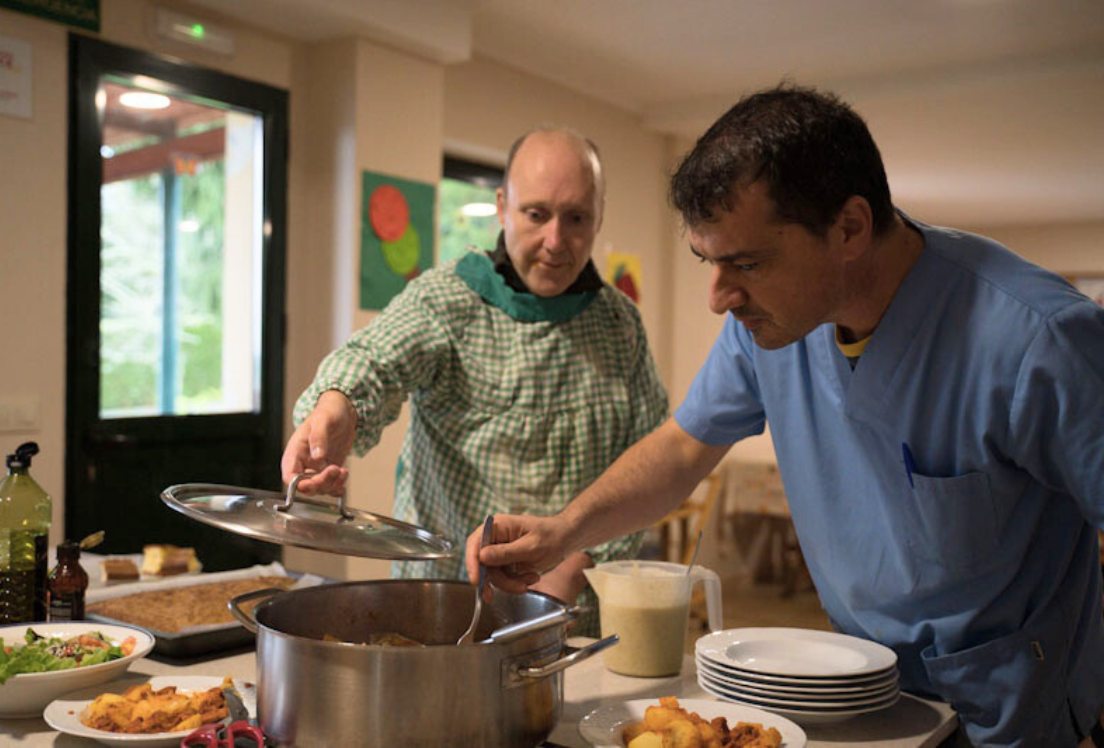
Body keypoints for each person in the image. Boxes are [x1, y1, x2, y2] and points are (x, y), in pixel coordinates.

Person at [466, 85, 1104, 746]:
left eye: (745, 262)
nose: (718, 296)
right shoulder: (766, 326)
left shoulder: (1038, 341)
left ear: (849, 228)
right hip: (855, 700)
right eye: (708, 261)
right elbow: (684, 448)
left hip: (1012, 714)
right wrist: (563, 531)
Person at [282, 127, 668, 635]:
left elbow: (647, 466)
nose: (555, 241)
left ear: (599, 216)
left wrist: (574, 567)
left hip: (575, 612)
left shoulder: (620, 325)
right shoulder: (448, 299)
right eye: (536, 214)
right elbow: (373, 360)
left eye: (576, 218)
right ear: (503, 205)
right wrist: (335, 409)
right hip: (445, 609)